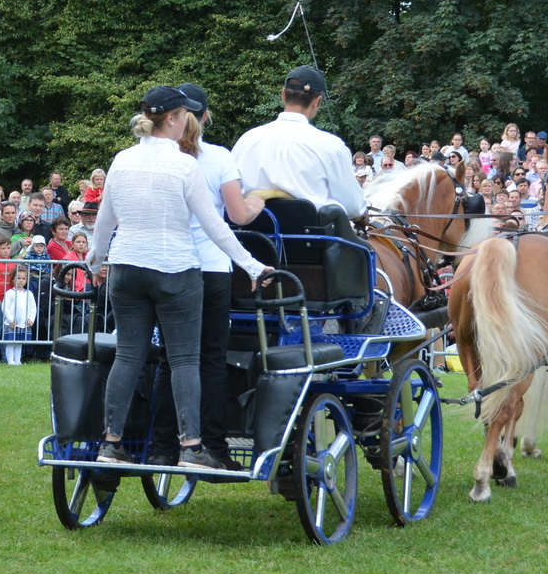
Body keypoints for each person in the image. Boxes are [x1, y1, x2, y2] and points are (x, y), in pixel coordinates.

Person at [90, 86, 272, 473]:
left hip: (126, 267)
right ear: (172, 118)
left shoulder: (122, 160)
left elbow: (105, 221)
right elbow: (215, 227)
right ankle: (192, 447)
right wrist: (252, 265)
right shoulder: (185, 165)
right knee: (185, 359)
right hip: (175, 268)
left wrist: (95, 260)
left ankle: (111, 443)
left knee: (128, 356)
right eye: (184, 115)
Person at [147, 82, 266, 467]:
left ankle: (163, 446)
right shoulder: (218, 158)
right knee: (212, 359)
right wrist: (257, 200)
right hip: (211, 267)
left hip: (169, 266)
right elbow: (238, 216)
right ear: (206, 116)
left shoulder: (154, 158)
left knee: (171, 358)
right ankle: (213, 446)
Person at [231, 65, 365, 243]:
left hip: (251, 244)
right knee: (369, 252)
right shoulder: (331, 146)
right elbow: (354, 208)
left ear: (283, 95)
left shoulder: (246, 140)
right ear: (317, 101)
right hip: (316, 248)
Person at [0, 267, 37, 366]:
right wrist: (10, 320)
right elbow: (5, 307)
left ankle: (17, 361)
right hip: (12, 323)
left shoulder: (29, 293)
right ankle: (10, 361)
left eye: (23, 278)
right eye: (18, 278)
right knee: (11, 342)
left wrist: (31, 319)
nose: (21, 280)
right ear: (13, 279)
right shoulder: (9, 293)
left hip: (23, 323)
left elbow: (33, 307)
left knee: (19, 343)